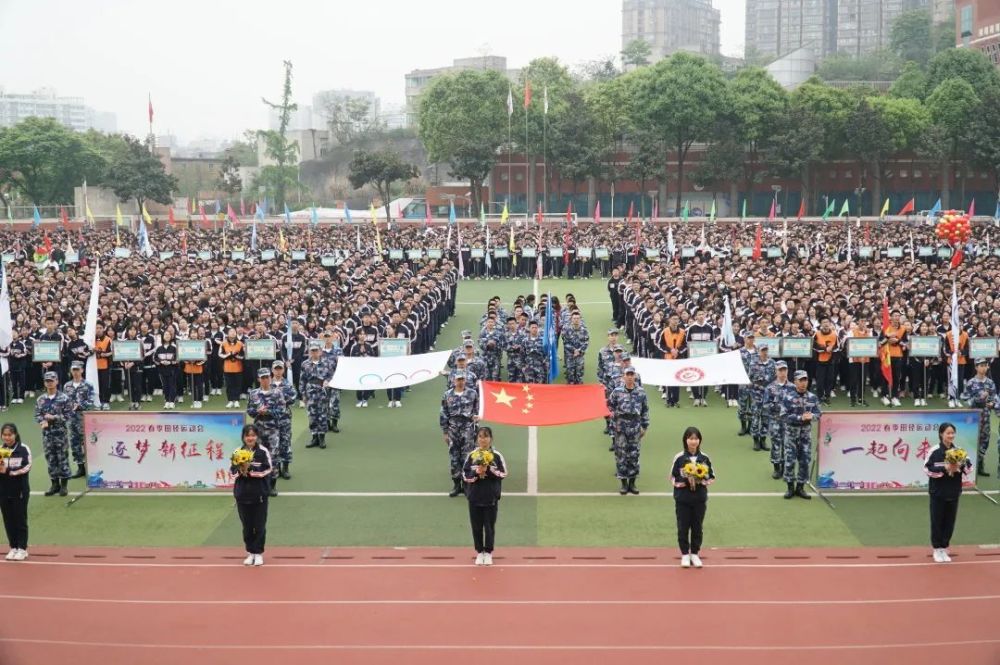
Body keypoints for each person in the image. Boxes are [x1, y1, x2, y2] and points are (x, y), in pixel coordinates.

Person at [923, 422, 973, 563]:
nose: (951, 435)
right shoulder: (934, 451)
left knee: (949, 522)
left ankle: (944, 548)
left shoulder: (959, 451)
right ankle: (936, 549)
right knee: (937, 521)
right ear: (941, 434)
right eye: (948, 433)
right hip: (938, 493)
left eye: (952, 433)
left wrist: (959, 465)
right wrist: (945, 469)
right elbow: (927, 469)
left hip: (953, 491)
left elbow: (969, 468)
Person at [669, 426, 715, 569]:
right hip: (683, 499)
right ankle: (684, 554)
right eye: (690, 438)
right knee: (683, 526)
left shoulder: (705, 458)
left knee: (697, 526)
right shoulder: (679, 458)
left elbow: (712, 477)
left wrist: (701, 480)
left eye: (696, 438)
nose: (693, 441)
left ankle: (694, 553)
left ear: (699, 440)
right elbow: (672, 477)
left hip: (699, 499)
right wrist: (685, 482)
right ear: (685, 440)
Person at [462, 426, 507, 566]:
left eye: (486, 436)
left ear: (491, 439)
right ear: (477, 439)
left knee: (489, 526)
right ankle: (479, 552)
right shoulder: (472, 456)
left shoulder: (497, 456)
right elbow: (464, 474)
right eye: (480, 437)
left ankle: (488, 552)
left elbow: (503, 473)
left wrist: (489, 471)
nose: (483, 439)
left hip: (490, 497)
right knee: (476, 526)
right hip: (475, 497)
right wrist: (476, 473)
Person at [231, 424, 272, 567]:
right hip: (242, 495)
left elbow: (267, 469)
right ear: (243, 437)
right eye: (248, 435)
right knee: (247, 526)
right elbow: (232, 472)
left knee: (259, 526)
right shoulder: (237, 451)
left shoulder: (262, 451)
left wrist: (250, 469)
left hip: (259, 495)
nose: (250, 438)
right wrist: (241, 468)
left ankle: (258, 553)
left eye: (253, 435)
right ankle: (250, 552)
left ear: (257, 437)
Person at [780, 370, 822, 500]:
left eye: (806, 380)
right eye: (801, 380)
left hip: (805, 435)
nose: (804, 383)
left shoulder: (812, 397)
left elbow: (819, 413)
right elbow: (784, 415)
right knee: (790, 461)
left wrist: (812, 416)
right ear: (795, 381)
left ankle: (800, 487)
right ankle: (790, 487)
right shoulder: (788, 397)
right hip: (791, 434)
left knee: (804, 460)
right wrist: (800, 417)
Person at [608, 366, 649, 495]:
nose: (630, 377)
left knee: (634, 455)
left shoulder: (641, 392)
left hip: (635, 426)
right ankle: (624, 484)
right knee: (621, 455)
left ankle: (632, 482)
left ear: (635, 376)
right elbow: (609, 406)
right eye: (628, 374)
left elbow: (645, 410)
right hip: (621, 426)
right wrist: (614, 422)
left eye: (632, 374)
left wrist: (644, 426)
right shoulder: (617, 391)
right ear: (624, 376)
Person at [440, 370, 479, 497]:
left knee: (467, 456)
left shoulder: (472, 393)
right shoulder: (447, 395)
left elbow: (477, 410)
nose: (460, 381)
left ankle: (467, 484)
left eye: (462, 379)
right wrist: (445, 432)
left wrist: (476, 421)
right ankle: (457, 484)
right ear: (453, 380)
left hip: (468, 427)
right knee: (454, 456)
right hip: (453, 428)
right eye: (458, 379)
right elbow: (444, 413)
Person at [35, 371, 73, 497]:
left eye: (52, 381)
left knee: (62, 458)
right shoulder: (41, 399)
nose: (49, 383)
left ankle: (64, 485)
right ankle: (54, 484)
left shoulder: (64, 398)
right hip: (47, 434)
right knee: (50, 458)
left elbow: (69, 415)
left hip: (60, 434)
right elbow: (37, 415)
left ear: (57, 381)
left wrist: (54, 417)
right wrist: (43, 421)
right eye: (47, 381)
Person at [959, 358, 996, 478]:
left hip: (985, 415)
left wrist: (992, 404)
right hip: (973, 415)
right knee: (970, 438)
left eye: (985, 365)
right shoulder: (971, 382)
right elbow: (964, 399)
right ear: (976, 367)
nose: (984, 368)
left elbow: (994, 398)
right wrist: (978, 399)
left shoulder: (990, 383)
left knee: (985, 439)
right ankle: (966, 464)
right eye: (981, 365)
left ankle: (980, 463)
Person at [0, 423, 31, 561]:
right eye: (4, 435)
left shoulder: (23, 449)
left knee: (20, 519)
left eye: (9, 435)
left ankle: (22, 548)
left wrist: (10, 472)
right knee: (8, 520)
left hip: (19, 490)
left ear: (15, 434)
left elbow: (27, 466)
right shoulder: (1, 450)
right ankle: (13, 547)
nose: (7, 437)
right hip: (3, 491)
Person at [63, 361, 95, 479]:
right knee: (74, 443)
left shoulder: (88, 385)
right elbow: (64, 401)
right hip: (71, 420)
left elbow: (91, 401)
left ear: (82, 370)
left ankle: (92, 467)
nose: (75, 372)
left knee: (87, 443)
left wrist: (80, 405)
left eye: (77, 369)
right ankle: (80, 467)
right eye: (73, 370)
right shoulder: (67, 385)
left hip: (84, 419)